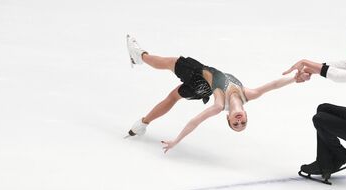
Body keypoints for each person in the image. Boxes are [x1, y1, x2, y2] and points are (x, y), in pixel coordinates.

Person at [125, 35, 306, 153]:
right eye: (242, 122)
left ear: (228, 119)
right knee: (173, 97)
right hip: (202, 89)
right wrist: (294, 79)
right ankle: (142, 124)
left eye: (235, 124)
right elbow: (274, 85)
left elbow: (195, 121)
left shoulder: (220, 104)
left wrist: (176, 141)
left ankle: (139, 56)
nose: (239, 120)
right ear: (246, 115)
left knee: (169, 62)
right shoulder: (248, 94)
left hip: (198, 74)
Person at [283, 27, 346, 180]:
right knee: (323, 109)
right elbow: (341, 65)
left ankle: (336, 157)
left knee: (319, 119)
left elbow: (341, 76)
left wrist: (306, 63)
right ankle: (330, 159)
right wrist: (310, 69)